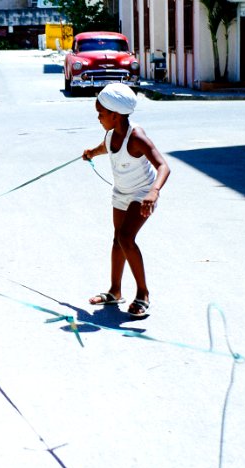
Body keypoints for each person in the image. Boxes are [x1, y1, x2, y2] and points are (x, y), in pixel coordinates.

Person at [82, 84, 170, 318]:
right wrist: (91, 152)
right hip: (121, 192)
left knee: (125, 238)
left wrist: (154, 192)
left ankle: (143, 293)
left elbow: (163, 166)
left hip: (143, 194)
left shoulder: (136, 137)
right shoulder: (111, 134)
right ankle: (115, 291)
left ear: (115, 114)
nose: (98, 117)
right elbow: (106, 147)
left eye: (101, 113)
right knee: (117, 240)